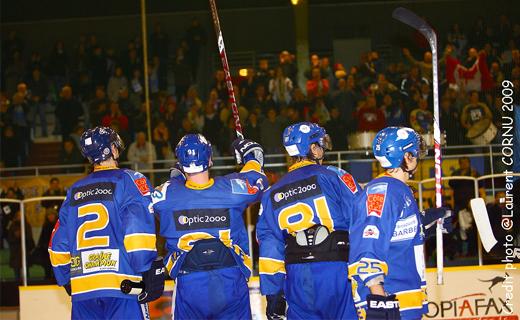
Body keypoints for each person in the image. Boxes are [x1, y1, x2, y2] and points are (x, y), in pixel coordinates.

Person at [48, 127, 164, 319]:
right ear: (113, 149)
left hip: (83, 291)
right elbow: (138, 233)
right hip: (122, 285)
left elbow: (58, 246)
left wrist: (67, 280)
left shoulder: (74, 190)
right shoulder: (130, 180)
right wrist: (145, 268)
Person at [152, 134, 267, 319]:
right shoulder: (231, 189)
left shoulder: (165, 195)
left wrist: (175, 181)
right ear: (210, 159)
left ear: (180, 163)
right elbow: (258, 181)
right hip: (230, 279)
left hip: (189, 281)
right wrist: (252, 157)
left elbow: (149, 205)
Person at [256, 122, 361, 319]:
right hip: (335, 268)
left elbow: (269, 245)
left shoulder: (272, 192)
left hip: (297, 275)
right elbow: (360, 219)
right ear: (313, 148)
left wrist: (273, 293)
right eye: (320, 145)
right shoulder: (335, 176)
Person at [349, 127, 451, 320]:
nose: (417, 157)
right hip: (389, 297)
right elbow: (368, 242)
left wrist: (430, 221)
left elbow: (397, 235)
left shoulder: (398, 189)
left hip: (405, 294)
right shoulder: (382, 191)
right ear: (406, 157)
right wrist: (377, 296)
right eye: (414, 153)